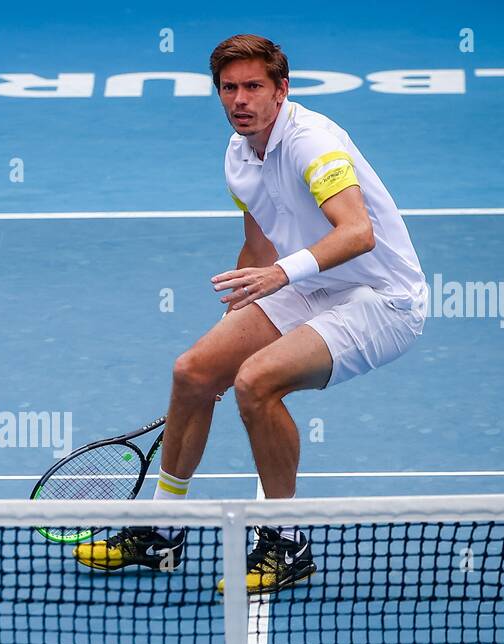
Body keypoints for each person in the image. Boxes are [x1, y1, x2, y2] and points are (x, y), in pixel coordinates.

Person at [75, 34, 427, 594]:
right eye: (229, 88)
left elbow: (358, 234)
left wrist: (281, 276)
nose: (240, 99)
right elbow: (258, 254)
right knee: (193, 371)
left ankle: (285, 543)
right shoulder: (239, 157)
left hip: (380, 299)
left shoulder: (313, 144)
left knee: (256, 382)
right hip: (309, 282)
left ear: (281, 90)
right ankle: (164, 531)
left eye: (254, 87)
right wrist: (227, 332)